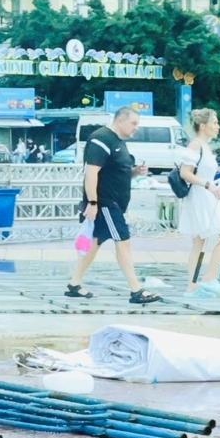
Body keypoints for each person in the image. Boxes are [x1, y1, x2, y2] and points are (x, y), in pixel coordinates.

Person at [64, 104, 158, 304]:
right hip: (106, 203)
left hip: (112, 203)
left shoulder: (118, 141)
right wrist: (92, 202)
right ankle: (136, 290)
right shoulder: (101, 139)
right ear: (121, 119)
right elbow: (91, 173)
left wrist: (135, 172)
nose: (136, 128)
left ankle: (74, 284)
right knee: (123, 242)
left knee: (94, 242)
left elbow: (117, 172)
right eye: (133, 123)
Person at [178, 107, 220, 296]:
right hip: (203, 195)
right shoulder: (196, 145)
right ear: (203, 126)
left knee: (200, 241)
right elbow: (185, 173)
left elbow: (203, 172)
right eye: (214, 122)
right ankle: (209, 278)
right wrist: (209, 186)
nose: (218, 126)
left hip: (205, 194)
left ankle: (193, 285)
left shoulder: (203, 146)